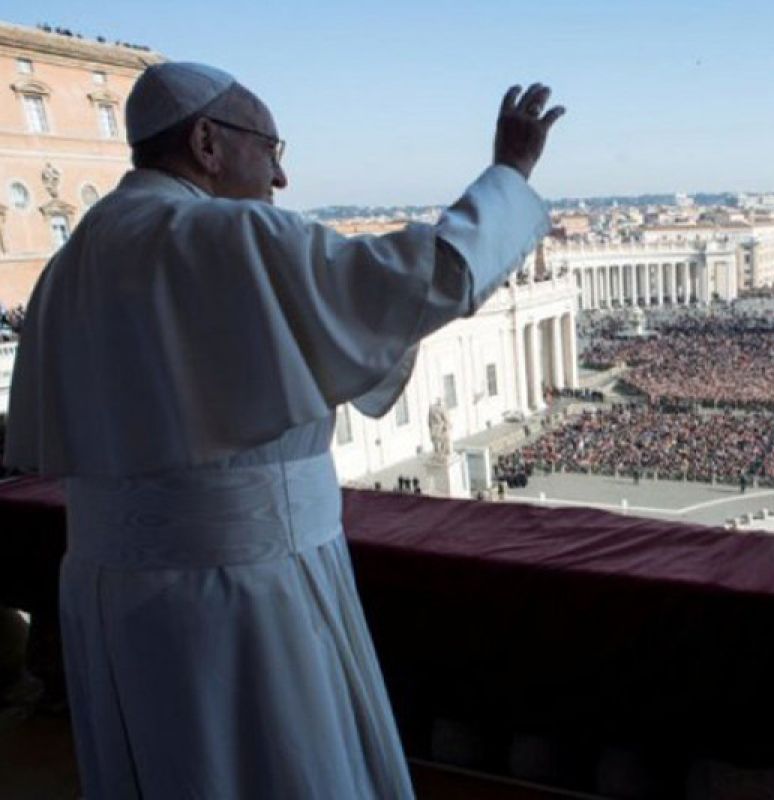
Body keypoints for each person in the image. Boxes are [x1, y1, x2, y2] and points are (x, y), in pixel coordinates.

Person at [4, 61, 564, 799]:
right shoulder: (225, 234)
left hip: (111, 599)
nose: (281, 179)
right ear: (207, 141)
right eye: (271, 150)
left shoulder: (70, 263)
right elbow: (428, 278)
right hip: (242, 590)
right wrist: (509, 173)